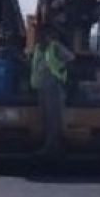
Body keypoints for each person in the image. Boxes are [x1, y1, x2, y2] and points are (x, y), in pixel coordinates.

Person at [31, 25, 74, 158]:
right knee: (45, 118)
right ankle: (47, 145)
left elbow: (70, 58)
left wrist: (61, 70)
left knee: (53, 118)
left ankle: (54, 146)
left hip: (53, 85)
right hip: (41, 86)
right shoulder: (38, 49)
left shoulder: (55, 46)